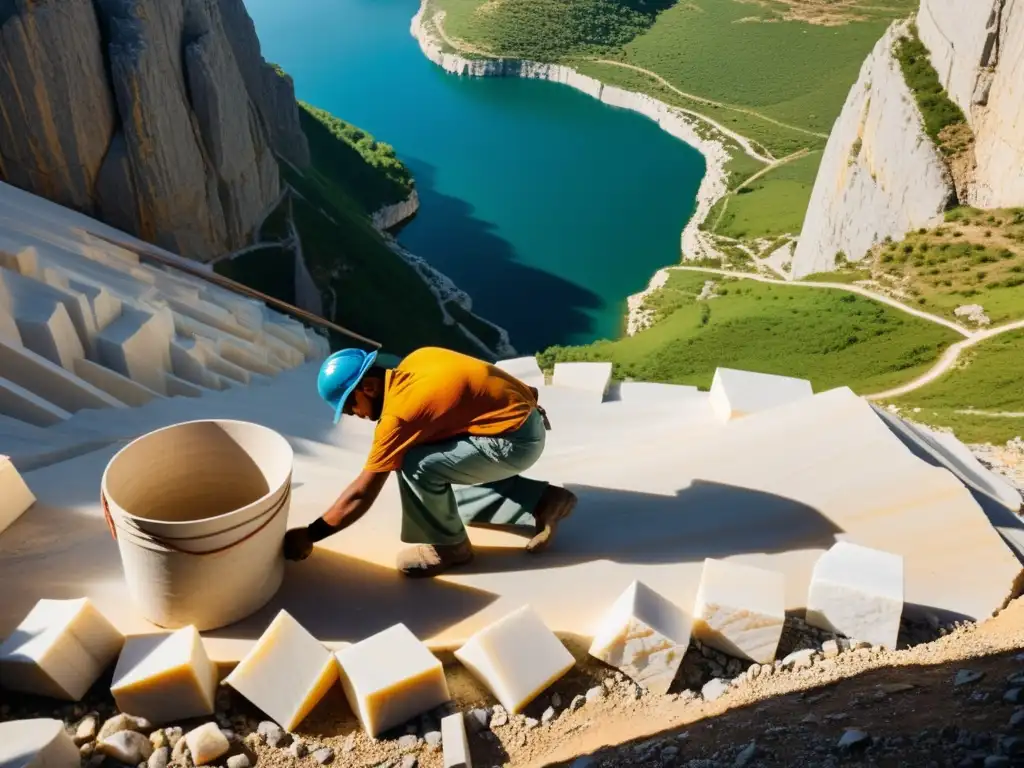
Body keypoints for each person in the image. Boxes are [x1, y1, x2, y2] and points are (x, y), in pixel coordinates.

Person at [282, 346, 578, 577]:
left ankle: (451, 548)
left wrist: (311, 534)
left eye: (350, 406)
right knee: (443, 492)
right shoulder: (417, 360)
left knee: (413, 462)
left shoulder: (399, 417)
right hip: (525, 418)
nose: (353, 414)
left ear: (369, 388)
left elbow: (362, 492)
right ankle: (541, 500)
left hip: (514, 443)